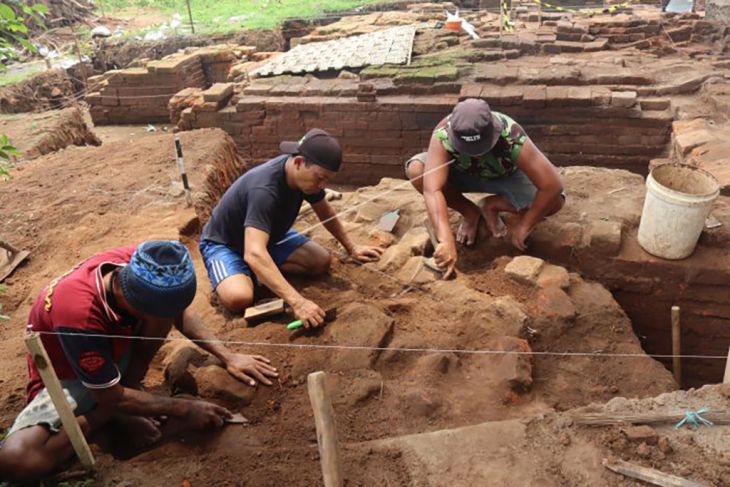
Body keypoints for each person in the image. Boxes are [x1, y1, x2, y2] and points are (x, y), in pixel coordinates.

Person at [0, 240, 278, 482]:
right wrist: (183, 409)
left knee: (160, 313)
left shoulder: (146, 263)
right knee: (17, 459)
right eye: (162, 311)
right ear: (132, 298)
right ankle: (111, 416)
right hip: (70, 373)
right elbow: (109, 395)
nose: (169, 317)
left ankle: (129, 392)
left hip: (112, 357)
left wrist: (229, 356)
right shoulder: (78, 314)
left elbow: (179, 312)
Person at [199, 128, 382, 326]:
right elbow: (253, 253)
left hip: (267, 238)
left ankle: (260, 269)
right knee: (239, 298)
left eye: (327, 180)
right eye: (320, 178)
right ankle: (241, 274)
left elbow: (324, 211)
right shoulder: (265, 190)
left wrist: (352, 247)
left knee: (320, 261)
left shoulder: (306, 179)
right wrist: (298, 302)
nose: (322, 185)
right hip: (226, 243)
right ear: (298, 162)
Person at [405, 98, 564, 278]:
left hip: (506, 176)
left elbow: (552, 186)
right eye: (467, 148)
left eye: (480, 147)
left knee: (554, 203)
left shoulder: (511, 135)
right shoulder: (443, 134)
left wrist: (526, 223)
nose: (476, 154)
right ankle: (470, 212)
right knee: (417, 170)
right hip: (461, 174)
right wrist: (445, 239)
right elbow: (432, 190)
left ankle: (492, 204)